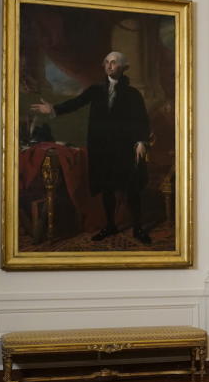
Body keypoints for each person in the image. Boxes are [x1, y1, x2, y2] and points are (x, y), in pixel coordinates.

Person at [30, 51, 152, 244]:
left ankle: (138, 227)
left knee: (132, 189)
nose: (110, 66)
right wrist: (53, 109)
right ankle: (110, 225)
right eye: (107, 63)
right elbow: (76, 103)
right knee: (107, 188)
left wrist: (141, 142)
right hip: (102, 148)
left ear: (124, 68)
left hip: (125, 148)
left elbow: (141, 121)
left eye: (114, 63)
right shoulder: (96, 90)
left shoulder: (133, 94)